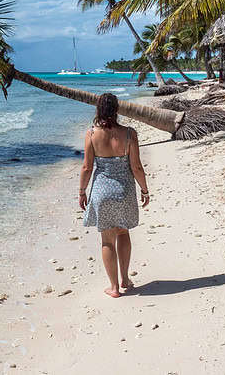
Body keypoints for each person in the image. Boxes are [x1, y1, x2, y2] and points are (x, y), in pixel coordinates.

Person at [79, 93, 150, 298]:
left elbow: (86, 167)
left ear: (99, 110)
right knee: (123, 233)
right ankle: (125, 279)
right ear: (116, 109)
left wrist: (82, 191)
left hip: (102, 192)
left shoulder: (92, 133)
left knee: (107, 240)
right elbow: (136, 167)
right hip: (125, 191)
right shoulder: (129, 134)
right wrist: (145, 190)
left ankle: (114, 288)